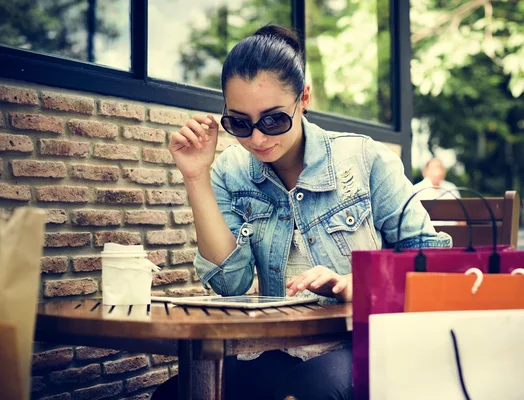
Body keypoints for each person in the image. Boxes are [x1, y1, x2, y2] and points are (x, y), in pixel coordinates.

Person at [152, 24, 451, 400]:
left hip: (368, 341)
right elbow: (231, 286)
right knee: (175, 394)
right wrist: (197, 177)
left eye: (274, 119)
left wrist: (361, 285)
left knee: (308, 390)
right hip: (282, 350)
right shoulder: (231, 171)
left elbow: (433, 259)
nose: (257, 138)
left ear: (304, 98)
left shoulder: (364, 158)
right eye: (240, 123)